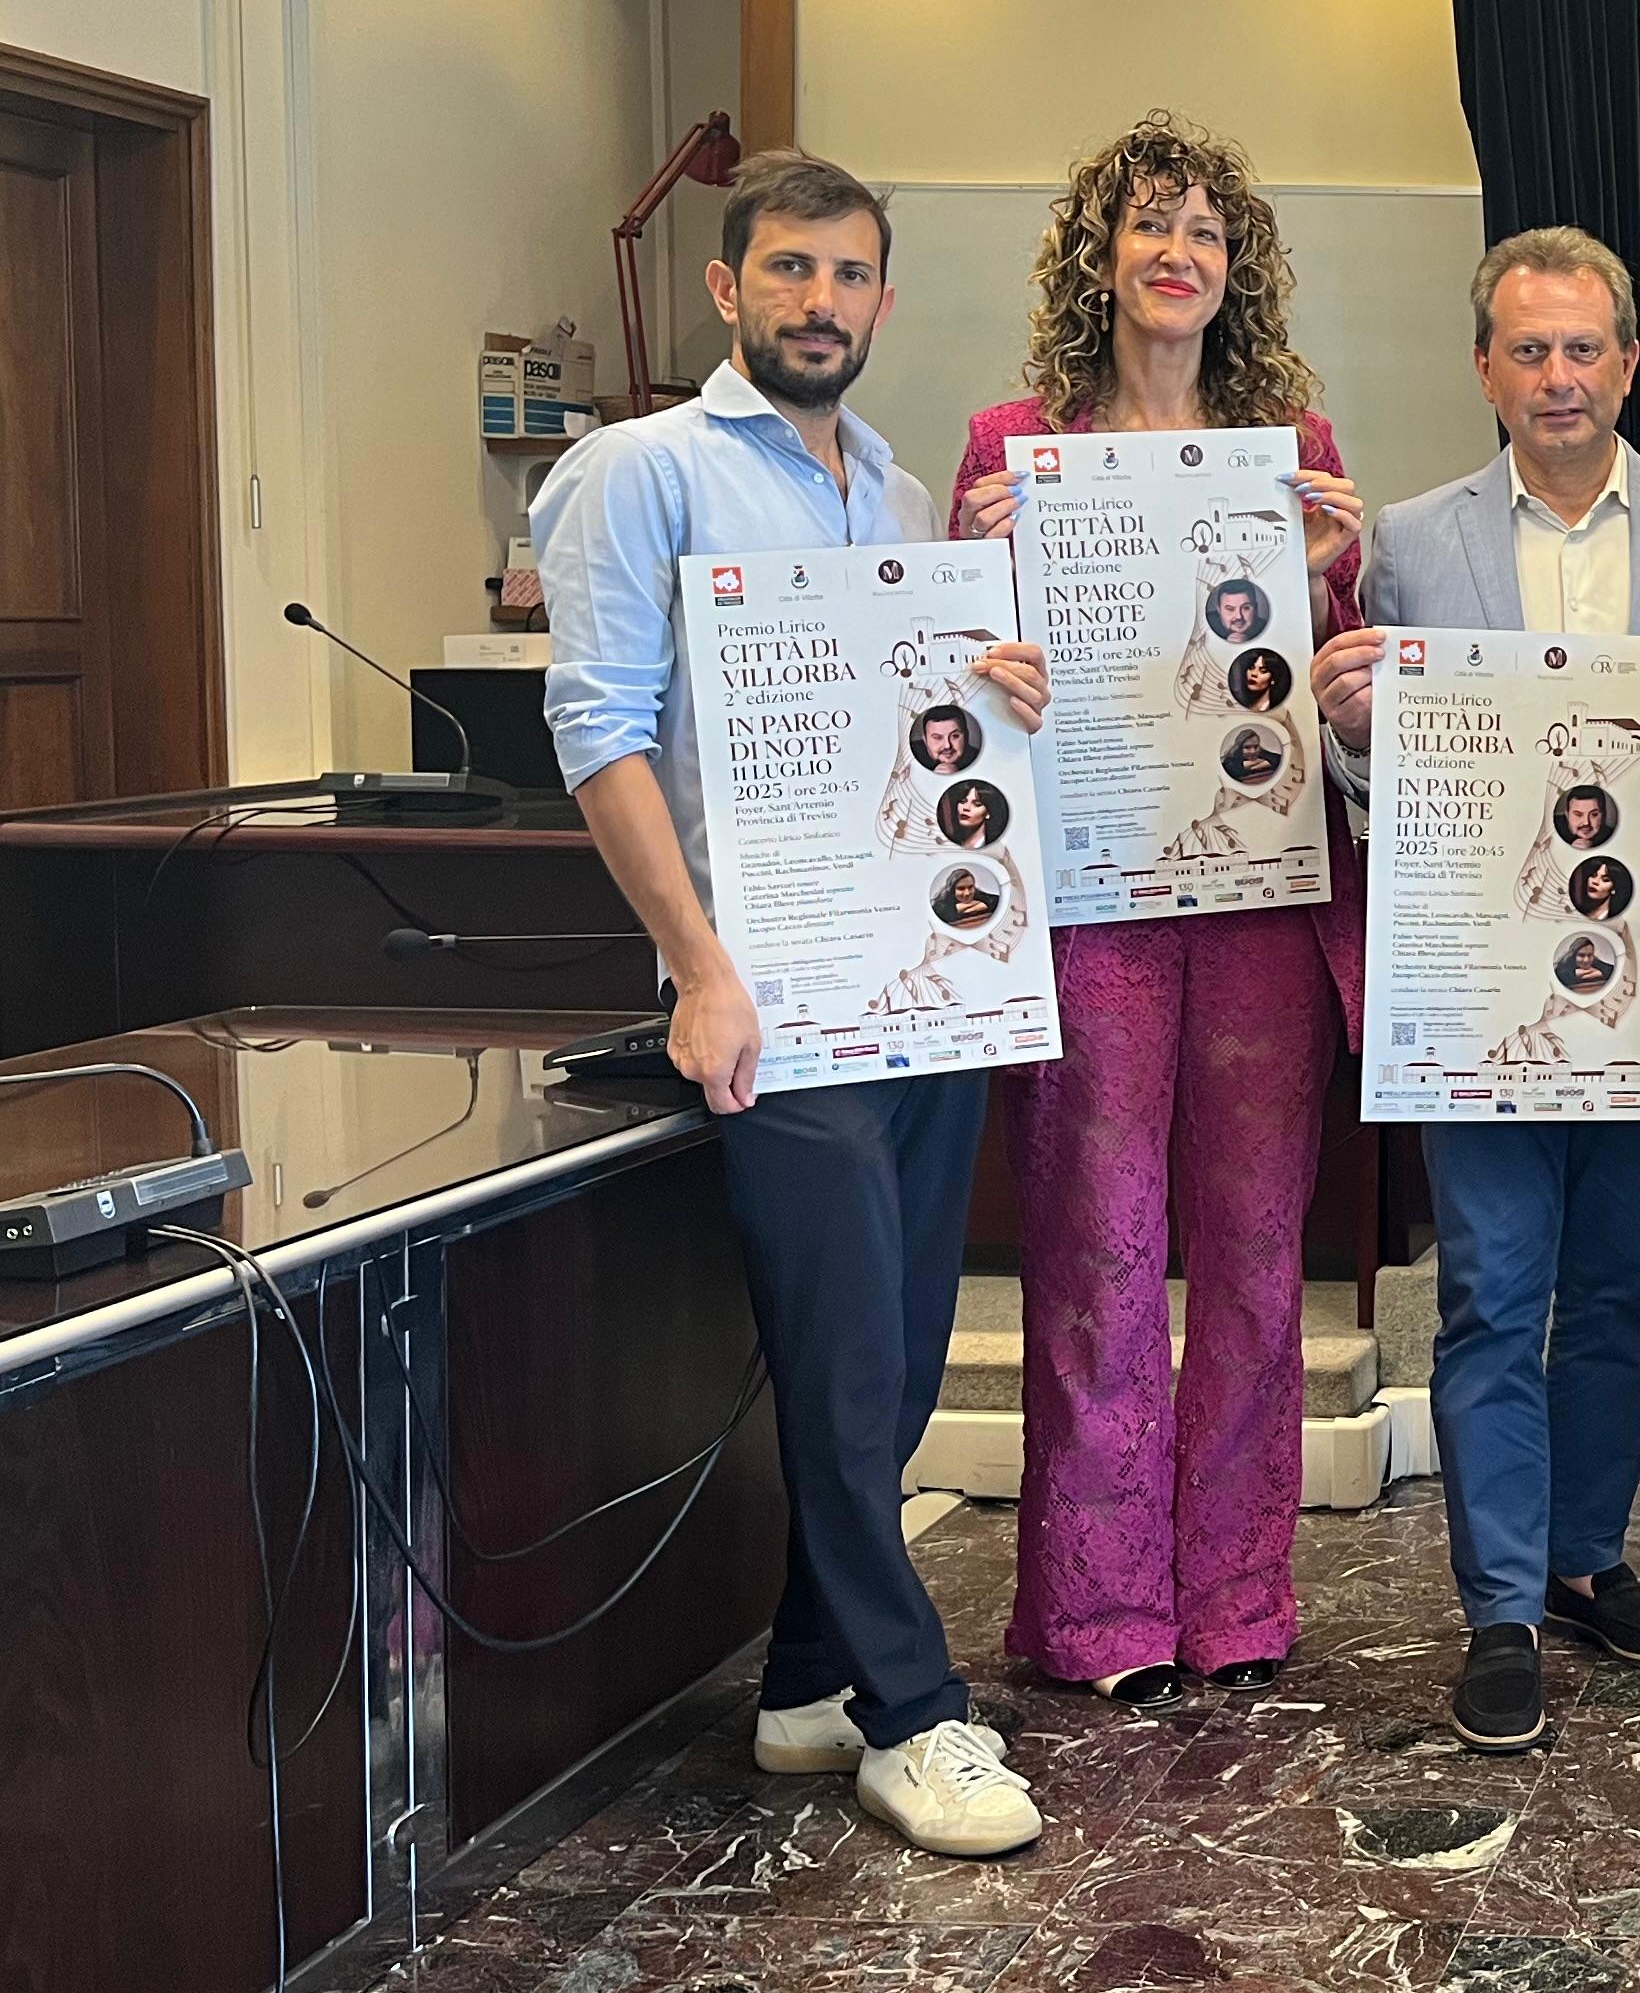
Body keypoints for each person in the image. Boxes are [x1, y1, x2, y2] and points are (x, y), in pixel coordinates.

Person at [534, 150, 1052, 1860]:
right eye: (788, 270)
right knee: (840, 1361)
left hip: (922, 983)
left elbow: (916, 735)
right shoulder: (642, 473)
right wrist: (700, 971)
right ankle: (911, 1715)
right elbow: (598, 730)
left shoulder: (892, 491)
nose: (819, 303)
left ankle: (806, 1687)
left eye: (847, 276)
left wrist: (996, 680)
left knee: (897, 1360)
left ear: (882, 299)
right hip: (771, 995)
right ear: (726, 287)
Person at [1319, 227, 1640, 1753]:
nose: (1558, 377)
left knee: (1619, 1297)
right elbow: (1379, 778)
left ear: (1630, 365)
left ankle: (1586, 1562)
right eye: (1529, 350)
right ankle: (1500, 1606)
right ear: (1485, 369)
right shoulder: (1409, 543)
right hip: (1486, 998)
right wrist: (1356, 737)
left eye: (1584, 349)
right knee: (1494, 1299)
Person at [950, 114, 1364, 1713]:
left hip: (1260, 898)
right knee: (1096, 1250)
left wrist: (1330, 577)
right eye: (1148, 223)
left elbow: (1330, 686)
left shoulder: (1293, 447)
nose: (1177, 250)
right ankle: (1101, 1604)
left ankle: (1239, 1592)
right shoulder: (1011, 448)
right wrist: (969, 580)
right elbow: (959, 693)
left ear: (1234, 266)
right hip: (1093, 899)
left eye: (1205, 227)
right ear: (1101, 257)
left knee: (1257, 1257)